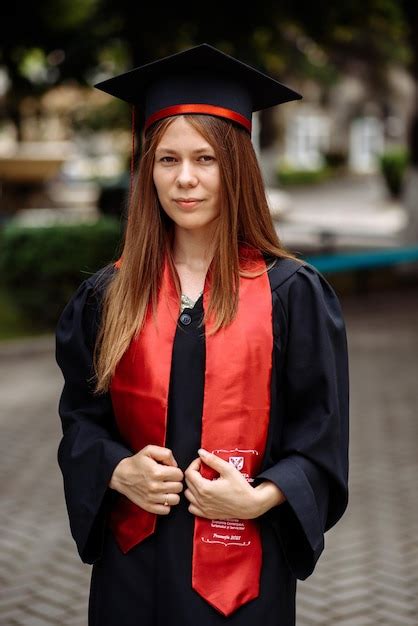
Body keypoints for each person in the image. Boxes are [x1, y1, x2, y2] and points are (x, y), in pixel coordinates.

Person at [56, 43, 349, 626]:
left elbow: (320, 439)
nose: (184, 179)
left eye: (205, 159)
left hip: (242, 575)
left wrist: (259, 497)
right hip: (131, 568)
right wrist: (117, 470)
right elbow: (81, 421)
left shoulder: (291, 294)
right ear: (148, 171)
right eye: (167, 160)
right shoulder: (109, 294)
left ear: (236, 166)